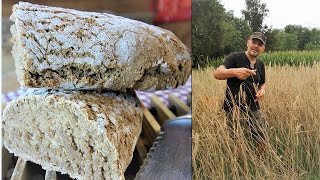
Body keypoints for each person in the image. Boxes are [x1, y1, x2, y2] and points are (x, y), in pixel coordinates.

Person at [213, 32, 267, 155]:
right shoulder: (235, 57)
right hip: (233, 108)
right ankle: (240, 166)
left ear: (263, 48)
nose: (256, 46)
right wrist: (235, 72)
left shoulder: (260, 64)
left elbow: (262, 82)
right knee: (236, 141)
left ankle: (258, 163)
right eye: (254, 42)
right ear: (248, 42)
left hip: (253, 107)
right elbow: (217, 73)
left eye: (260, 44)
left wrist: (262, 90)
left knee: (261, 137)